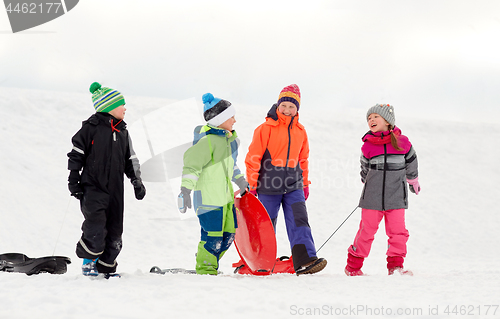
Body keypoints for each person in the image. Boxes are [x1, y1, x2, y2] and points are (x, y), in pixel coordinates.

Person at [245, 84, 327, 275]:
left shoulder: (300, 131)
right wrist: (253, 183)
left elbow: (303, 159)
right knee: (265, 224)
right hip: (268, 184)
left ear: (297, 109)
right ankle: (259, 262)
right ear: (278, 105)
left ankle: (305, 261)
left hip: (293, 185)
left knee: (299, 220)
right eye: (284, 105)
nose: (287, 110)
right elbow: (253, 158)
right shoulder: (264, 129)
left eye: (292, 106)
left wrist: (305, 184)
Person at [67, 82, 146, 276]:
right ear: (109, 106)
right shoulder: (90, 129)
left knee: (115, 232)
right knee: (95, 227)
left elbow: (131, 160)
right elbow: (76, 154)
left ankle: (106, 267)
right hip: (93, 188)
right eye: (122, 105)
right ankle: (89, 262)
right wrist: (73, 179)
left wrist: (136, 180)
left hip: (115, 191)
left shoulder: (123, 132)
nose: (125, 108)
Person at [345, 103, 420, 276]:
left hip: (396, 197)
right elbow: (364, 168)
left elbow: (411, 161)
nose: (371, 120)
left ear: (387, 120)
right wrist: (367, 182)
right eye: (369, 118)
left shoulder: (403, 142)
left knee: (398, 232)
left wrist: (412, 179)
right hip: (372, 197)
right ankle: (353, 267)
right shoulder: (368, 146)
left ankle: (395, 267)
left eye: (375, 117)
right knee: (366, 231)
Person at [178, 93, 248, 275]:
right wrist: (185, 190)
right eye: (231, 116)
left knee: (228, 235)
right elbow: (191, 166)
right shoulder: (207, 142)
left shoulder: (227, 142)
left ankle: (208, 261)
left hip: (225, 200)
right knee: (213, 237)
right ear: (220, 119)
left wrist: (240, 179)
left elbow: (231, 167)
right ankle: (206, 268)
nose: (234, 120)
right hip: (208, 200)